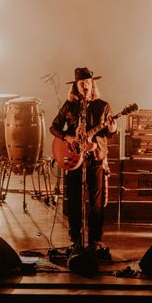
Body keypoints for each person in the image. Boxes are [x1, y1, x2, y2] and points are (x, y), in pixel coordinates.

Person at [49, 67, 118, 252]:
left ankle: (94, 240)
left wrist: (112, 128)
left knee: (96, 202)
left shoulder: (102, 106)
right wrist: (67, 137)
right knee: (74, 200)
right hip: (73, 158)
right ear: (76, 87)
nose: (85, 85)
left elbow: (109, 133)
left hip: (95, 159)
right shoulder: (70, 106)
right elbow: (54, 127)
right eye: (81, 83)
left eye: (88, 82)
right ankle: (76, 240)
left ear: (92, 84)